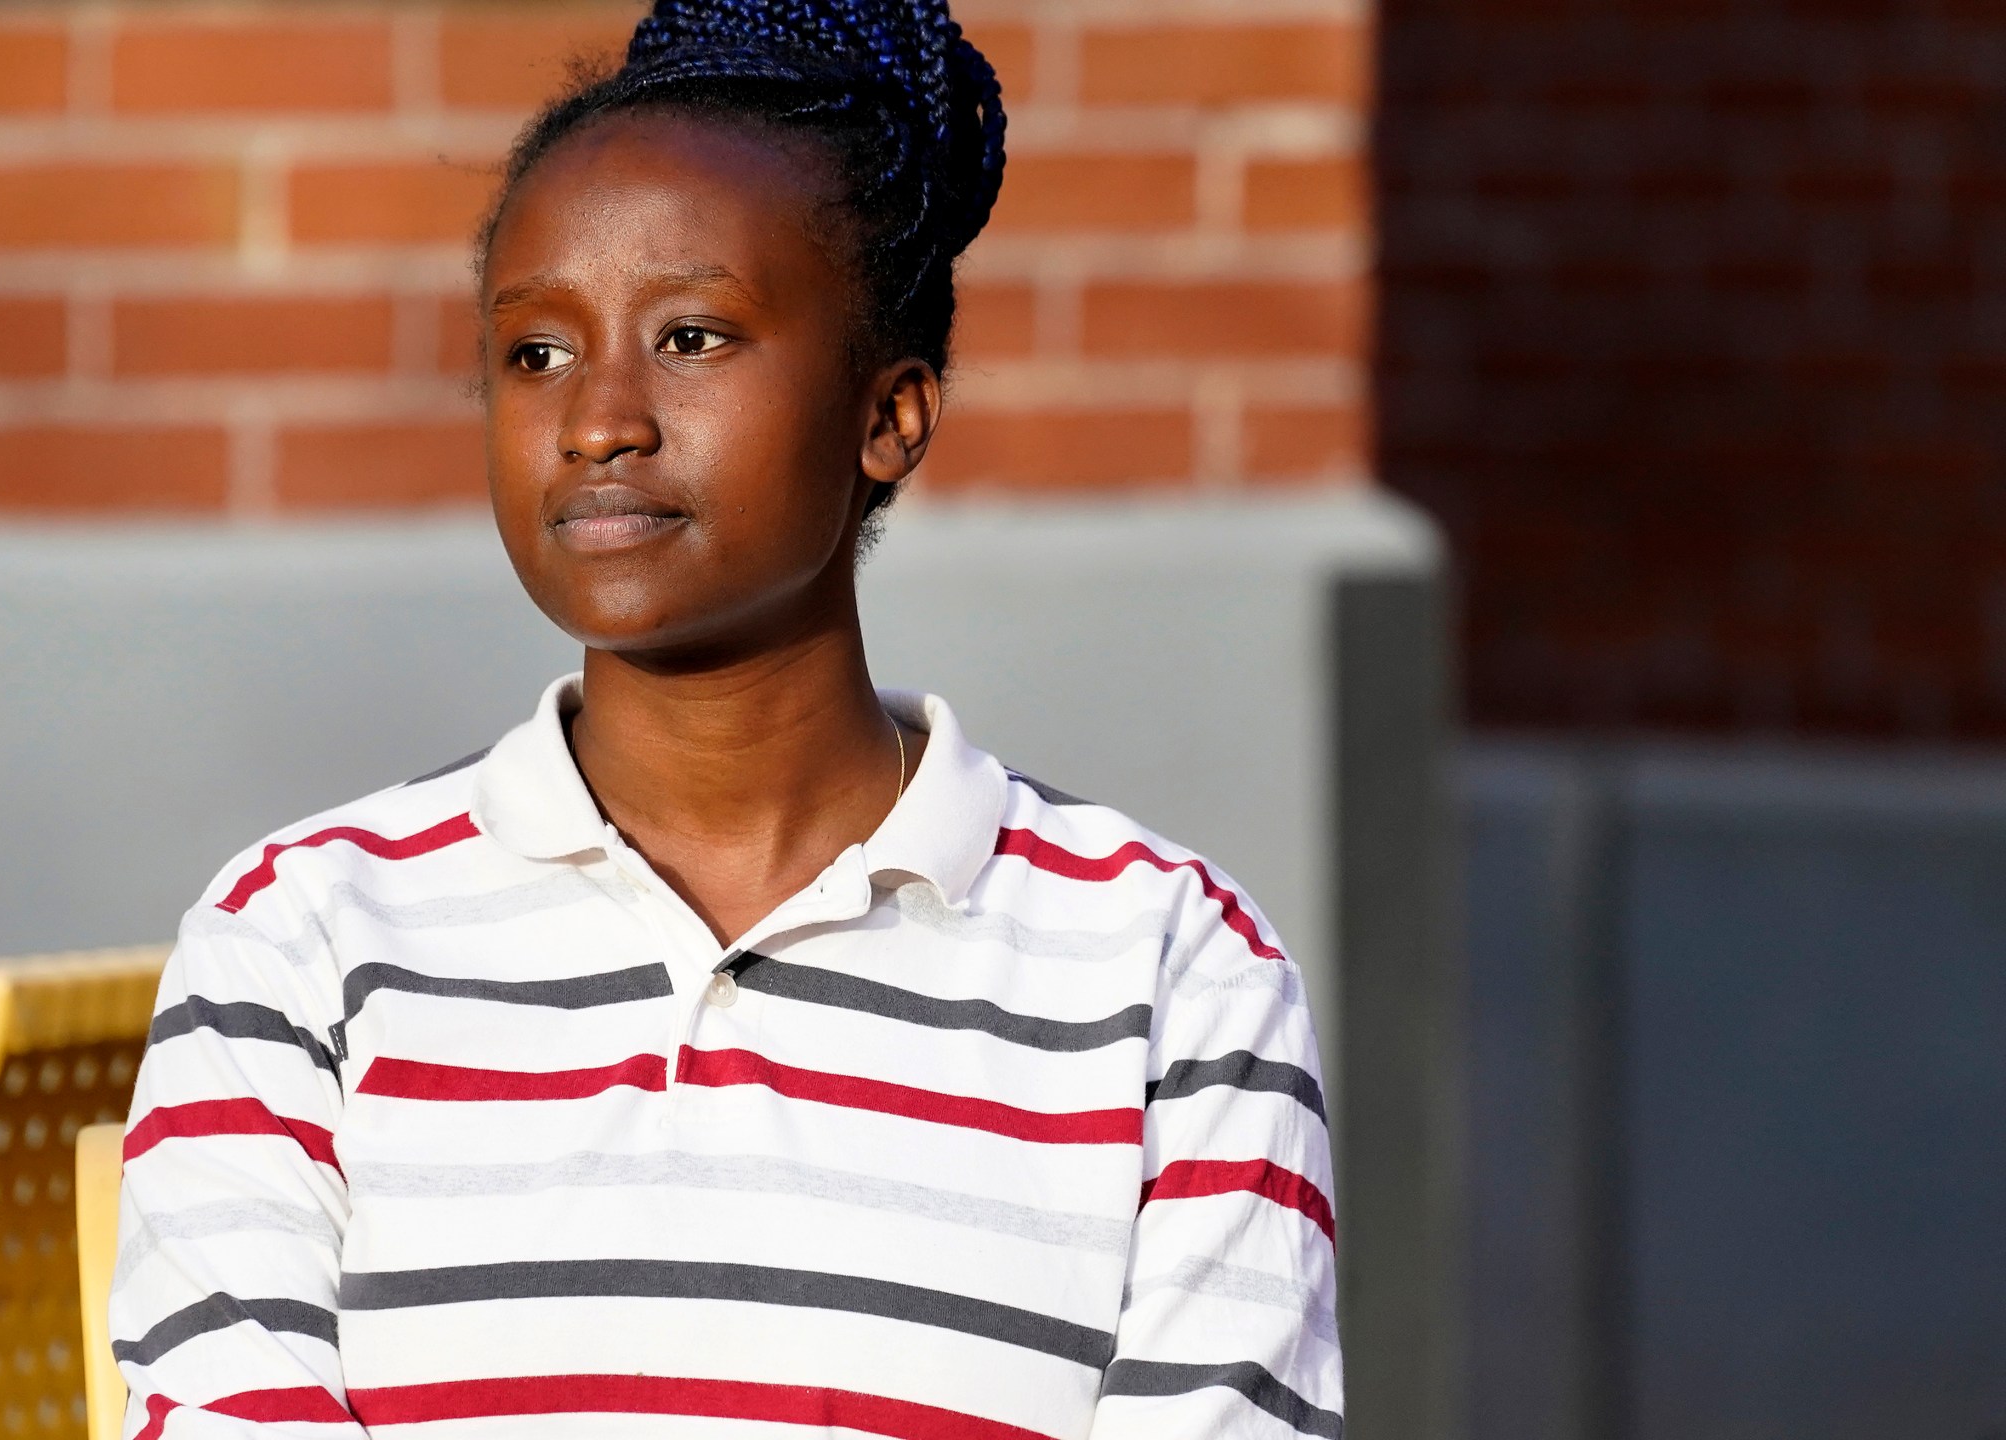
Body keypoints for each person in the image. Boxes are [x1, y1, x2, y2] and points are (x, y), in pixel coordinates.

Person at [108, 0, 1342, 1432]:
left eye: (690, 336)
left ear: (890, 415)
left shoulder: (1172, 976)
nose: (597, 421)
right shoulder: (301, 938)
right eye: (537, 355)